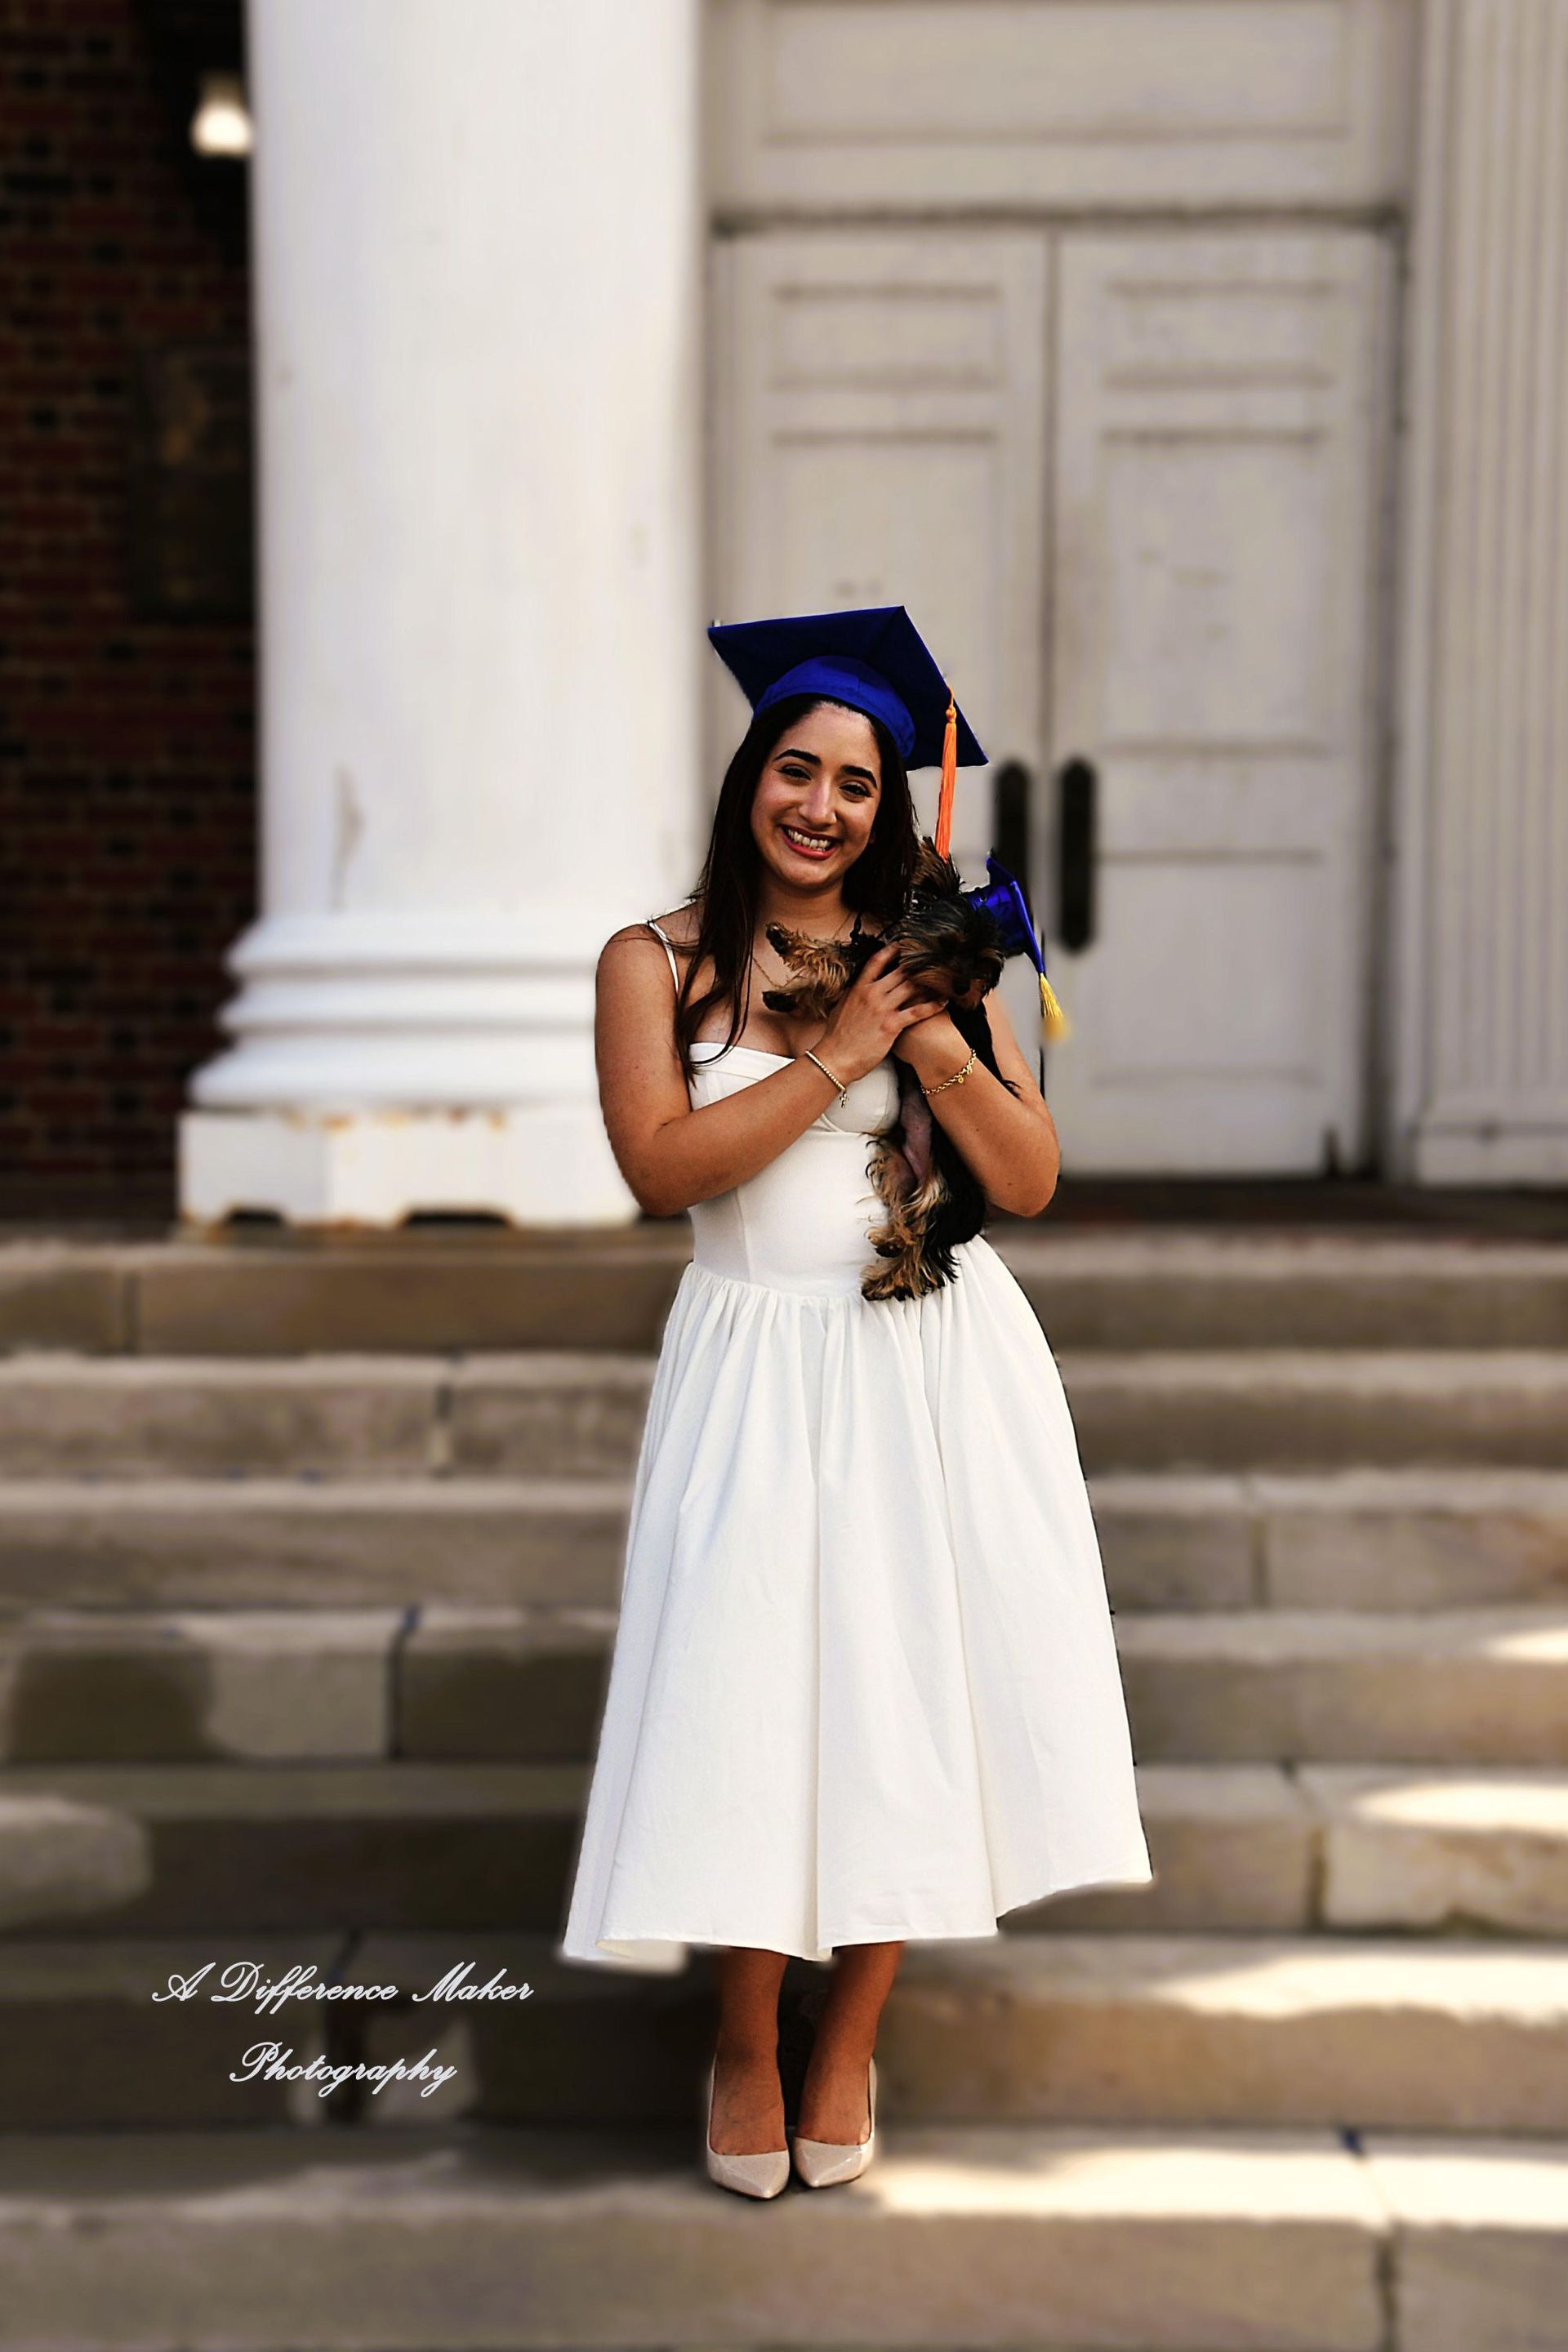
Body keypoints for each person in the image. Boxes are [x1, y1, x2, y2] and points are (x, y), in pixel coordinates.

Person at [556, 605, 1152, 2198]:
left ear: (894, 811)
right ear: (751, 774)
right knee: (752, 1701)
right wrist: (833, 1054)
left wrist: (931, 1025)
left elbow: (1023, 1180)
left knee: (902, 1704)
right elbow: (659, 1165)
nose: (822, 805)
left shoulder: (936, 962)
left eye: (860, 785)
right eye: (797, 770)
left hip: (929, 1364)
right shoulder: (656, 963)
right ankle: (745, 2041)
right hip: (756, 1362)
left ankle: (847, 2040)